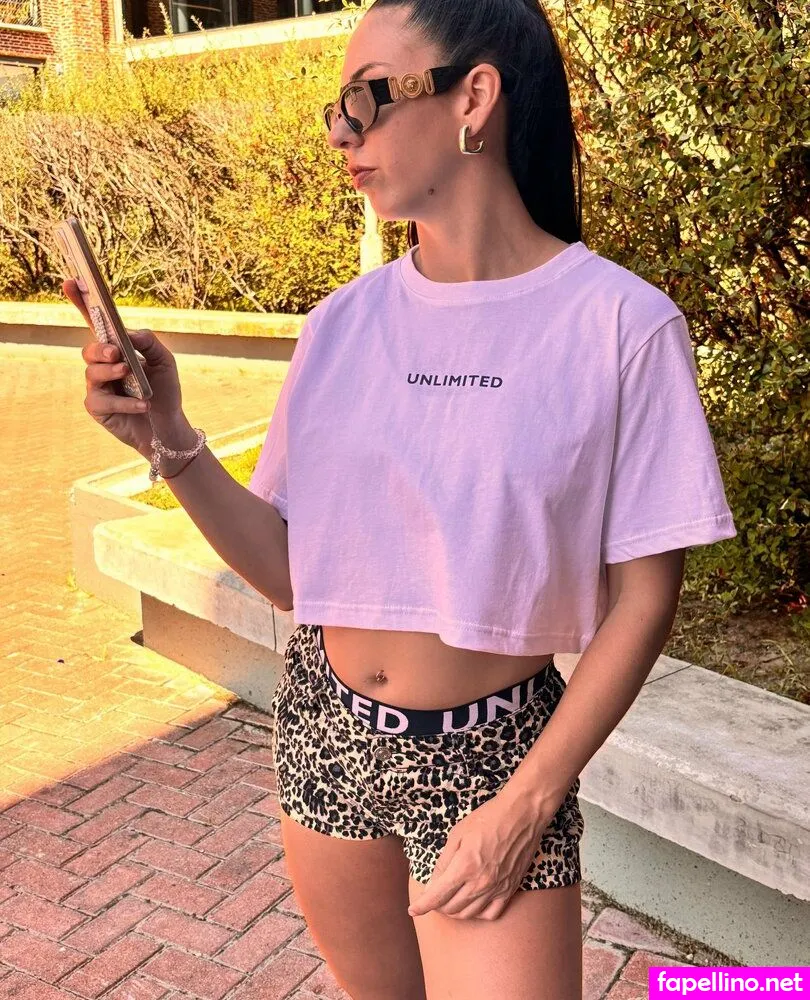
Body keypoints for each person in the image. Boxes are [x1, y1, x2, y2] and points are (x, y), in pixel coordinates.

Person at [67, 1, 738, 997]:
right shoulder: (341, 324)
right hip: (325, 730)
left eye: (367, 98)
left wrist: (528, 804)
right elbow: (297, 572)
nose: (341, 132)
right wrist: (167, 432)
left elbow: (645, 596)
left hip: (495, 756)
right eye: (337, 108)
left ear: (475, 97)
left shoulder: (619, 325)